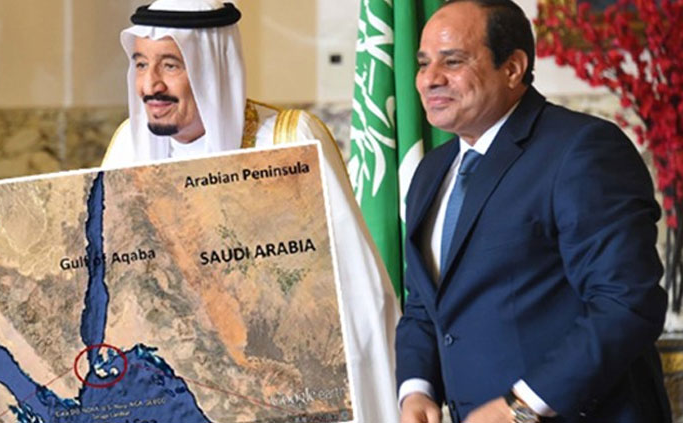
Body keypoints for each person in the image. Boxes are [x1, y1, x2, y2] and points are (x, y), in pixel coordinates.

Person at [101, 1, 401, 422]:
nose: (150, 84)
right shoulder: (127, 149)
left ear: (210, 67)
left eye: (170, 65)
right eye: (140, 64)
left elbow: (357, 296)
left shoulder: (286, 141)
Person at [395, 0, 671, 422]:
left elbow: (626, 303)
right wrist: (416, 390)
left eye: (452, 62)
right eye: (423, 63)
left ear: (512, 68)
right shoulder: (430, 171)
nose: (430, 79)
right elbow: (424, 305)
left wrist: (521, 408)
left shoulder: (582, 149)